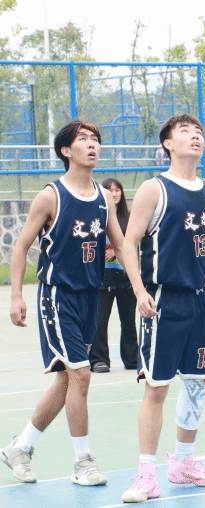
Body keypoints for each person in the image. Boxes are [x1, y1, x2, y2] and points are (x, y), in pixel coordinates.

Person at [120, 114, 205, 503]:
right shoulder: (154, 189)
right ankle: (146, 474)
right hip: (164, 299)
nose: (196, 137)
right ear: (168, 144)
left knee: (196, 384)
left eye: (199, 132)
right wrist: (138, 289)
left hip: (200, 300)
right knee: (156, 387)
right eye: (186, 132)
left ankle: (184, 463)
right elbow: (129, 243)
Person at [2, 121, 124, 486]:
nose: (92, 145)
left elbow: (121, 244)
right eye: (83, 139)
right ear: (66, 151)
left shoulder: (104, 198)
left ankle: (20, 447)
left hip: (90, 296)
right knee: (82, 375)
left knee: (66, 381)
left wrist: (139, 283)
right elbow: (21, 246)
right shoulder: (51, 196)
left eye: (96, 139)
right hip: (57, 296)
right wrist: (16, 295)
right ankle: (83, 462)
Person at [90, 178, 138, 372]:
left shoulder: (130, 218)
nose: (114, 193)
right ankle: (99, 359)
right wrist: (106, 251)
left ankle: (132, 359)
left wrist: (118, 251)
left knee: (129, 322)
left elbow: (133, 243)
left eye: (118, 190)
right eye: (110, 190)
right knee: (100, 322)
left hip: (125, 276)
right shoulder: (97, 217)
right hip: (102, 278)